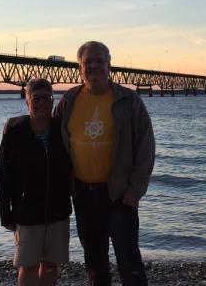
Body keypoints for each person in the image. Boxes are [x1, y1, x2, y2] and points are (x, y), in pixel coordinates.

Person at [53, 41, 155, 286]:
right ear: (80, 68)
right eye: (88, 62)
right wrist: (20, 124)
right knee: (95, 264)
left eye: (100, 61)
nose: (94, 66)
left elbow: (146, 146)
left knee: (128, 261)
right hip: (84, 196)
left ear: (109, 65)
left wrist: (135, 189)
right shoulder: (70, 99)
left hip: (119, 196)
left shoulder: (128, 100)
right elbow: (48, 130)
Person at [0, 78, 72, 286]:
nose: (41, 103)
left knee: (50, 265)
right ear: (27, 102)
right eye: (36, 98)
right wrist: (6, 215)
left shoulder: (63, 130)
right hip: (27, 213)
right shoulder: (15, 131)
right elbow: (4, 176)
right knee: (28, 266)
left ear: (53, 100)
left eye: (47, 98)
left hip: (58, 212)